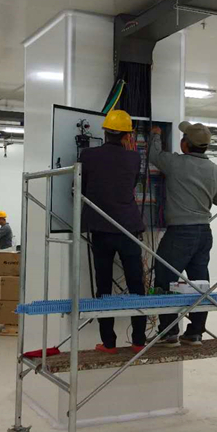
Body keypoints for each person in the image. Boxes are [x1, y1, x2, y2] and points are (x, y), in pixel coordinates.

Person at [150, 121, 217, 346]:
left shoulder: (176, 163)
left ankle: (169, 332)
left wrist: (155, 135)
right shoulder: (216, 170)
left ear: (185, 144)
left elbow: (154, 155)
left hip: (180, 232)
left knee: (164, 278)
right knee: (199, 283)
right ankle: (195, 332)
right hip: (204, 233)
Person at [80, 109, 148, 354]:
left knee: (103, 287)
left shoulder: (87, 155)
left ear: (105, 132)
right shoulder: (134, 158)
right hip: (128, 229)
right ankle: (139, 340)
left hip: (100, 229)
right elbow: (130, 185)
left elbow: (82, 188)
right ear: (128, 135)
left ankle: (108, 343)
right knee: (136, 285)